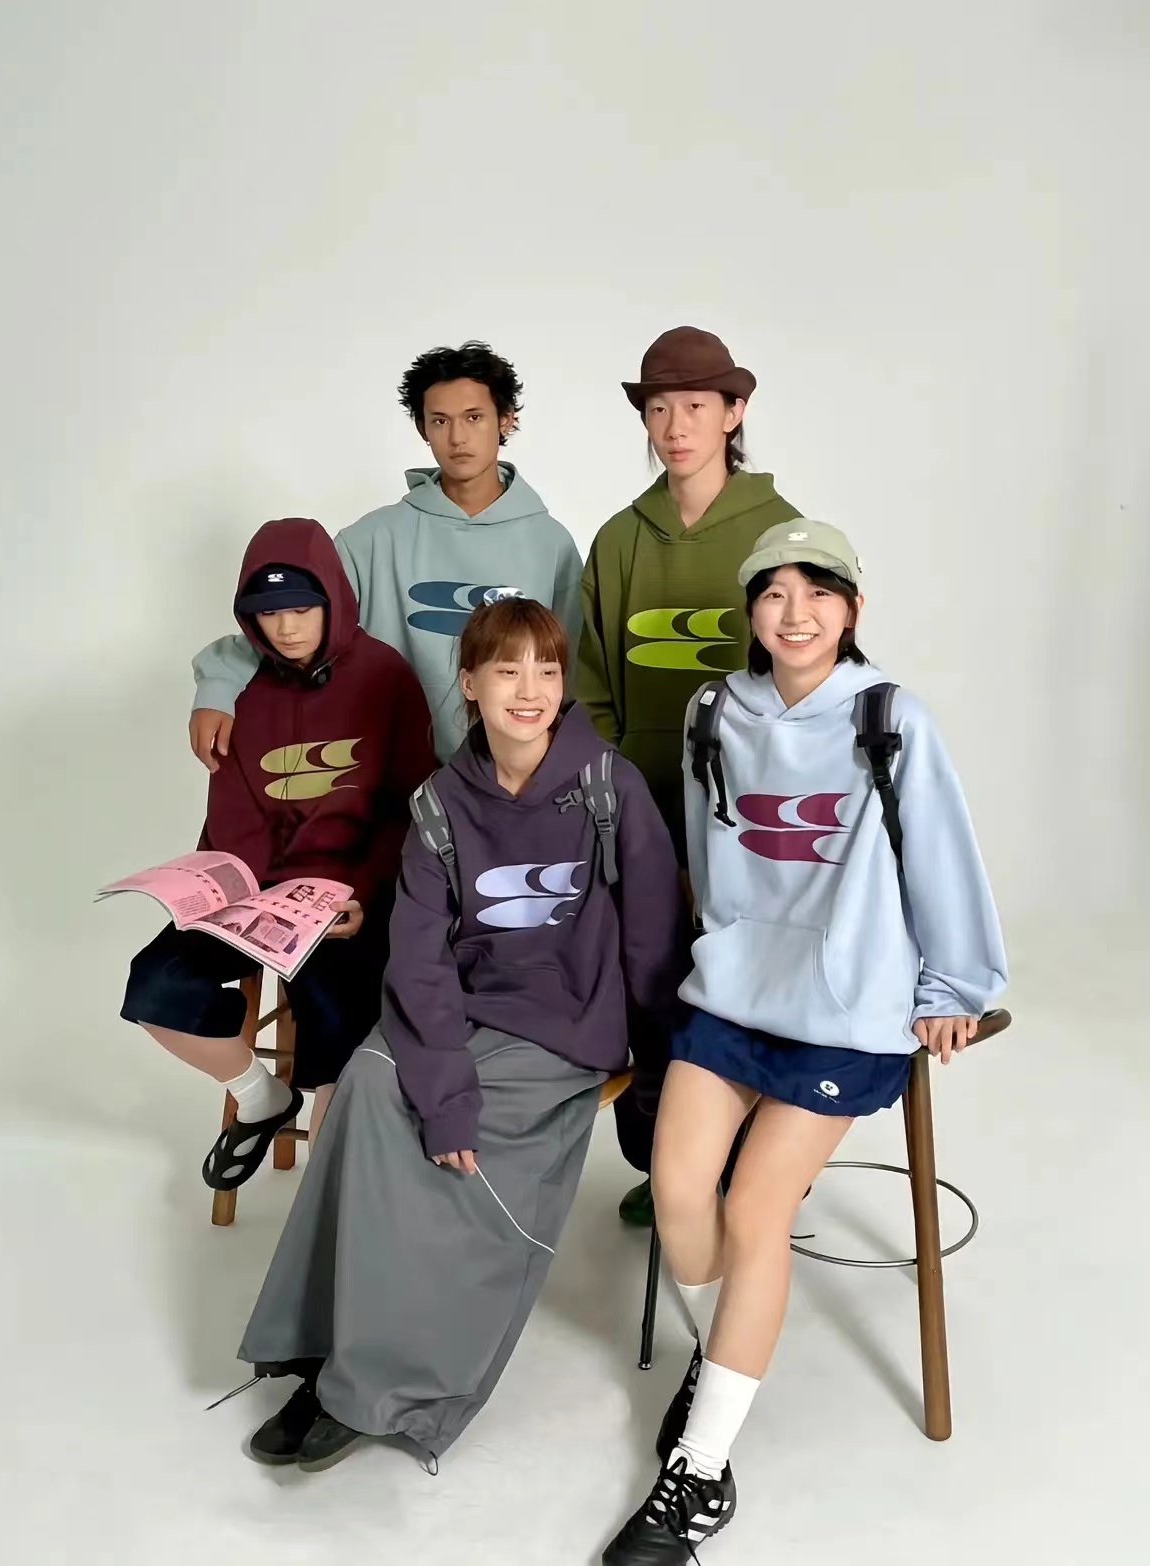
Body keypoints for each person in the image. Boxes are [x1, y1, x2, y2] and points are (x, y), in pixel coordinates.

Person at [601, 520, 1007, 1564]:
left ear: (852, 609)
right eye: (774, 593)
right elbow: (710, 860)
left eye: (818, 591)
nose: (796, 613)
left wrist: (953, 984)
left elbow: (944, 856)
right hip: (738, 993)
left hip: (848, 1003)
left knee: (753, 1208)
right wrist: (721, 950)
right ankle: (719, 1354)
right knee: (676, 1188)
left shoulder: (888, 717)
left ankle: (699, 1472)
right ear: (749, 612)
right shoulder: (713, 714)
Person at [234, 598, 686, 1471]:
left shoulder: (609, 786)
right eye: (507, 670)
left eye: (547, 670)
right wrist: (440, 1085)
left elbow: (654, 939)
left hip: (565, 1028)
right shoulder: (441, 801)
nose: (530, 690)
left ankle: (382, 1387)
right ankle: (320, 1350)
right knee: (368, 1086)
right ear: (470, 683)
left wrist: (663, 1077)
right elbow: (418, 955)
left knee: (453, 1153)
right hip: (463, 1010)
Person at [121, 518, 435, 1187]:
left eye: (301, 608)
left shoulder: (386, 677)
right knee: (154, 985)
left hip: (350, 901)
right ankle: (262, 1099)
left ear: (333, 601)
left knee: (337, 1019)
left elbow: (409, 805)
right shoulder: (237, 690)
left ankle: (334, 1197)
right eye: (268, 613)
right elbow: (232, 813)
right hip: (257, 897)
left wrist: (363, 892)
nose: (286, 628)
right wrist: (241, 899)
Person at [576, 325, 803, 1224]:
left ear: (734, 412)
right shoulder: (617, 541)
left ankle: (757, 1168)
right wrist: (616, 804)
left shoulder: (781, 534)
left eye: (697, 407)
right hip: (640, 803)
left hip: (753, 809)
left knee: (748, 981)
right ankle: (662, 1165)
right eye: (660, 408)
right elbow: (590, 685)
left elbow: (808, 678)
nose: (675, 427)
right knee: (650, 980)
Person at [189, 341, 584, 765]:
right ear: (423, 428)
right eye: (440, 421)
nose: (457, 437)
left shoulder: (550, 543)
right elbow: (294, 621)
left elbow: (576, 671)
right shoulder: (371, 540)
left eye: (474, 417)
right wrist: (219, 685)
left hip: (515, 776)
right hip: (390, 770)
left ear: (505, 419)